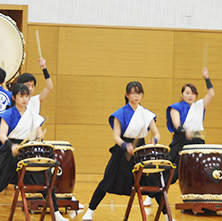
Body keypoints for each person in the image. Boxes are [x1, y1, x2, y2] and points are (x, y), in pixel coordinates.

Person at [0, 84, 68, 221]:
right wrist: (11, 146)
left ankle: (56, 214)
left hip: (27, 152)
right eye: (21, 96)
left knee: (45, 180)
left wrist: (38, 141)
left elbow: (39, 135)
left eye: (26, 96)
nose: (24, 99)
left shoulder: (34, 116)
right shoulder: (8, 114)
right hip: (8, 152)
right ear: (14, 97)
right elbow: (2, 136)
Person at [82, 81, 167, 221]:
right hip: (122, 152)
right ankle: (90, 211)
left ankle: (166, 215)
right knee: (107, 181)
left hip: (141, 152)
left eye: (139, 93)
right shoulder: (119, 113)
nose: (137, 96)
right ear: (127, 95)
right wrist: (126, 146)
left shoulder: (147, 114)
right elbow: (116, 136)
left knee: (153, 183)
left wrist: (154, 141)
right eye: (133, 93)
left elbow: (157, 134)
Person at [143, 67, 215, 207]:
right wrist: (185, 130)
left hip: (197, 142)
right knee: (170, 172)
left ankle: (199, 200)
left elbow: (211, 94)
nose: (190, 95)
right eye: (187, 93)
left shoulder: (199, 106)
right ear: (182, 94)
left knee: (198, 172)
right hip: (181, 141)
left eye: (193, 93)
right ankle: (152, 195)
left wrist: (207, 78)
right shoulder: (176, 107)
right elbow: (176, 125)